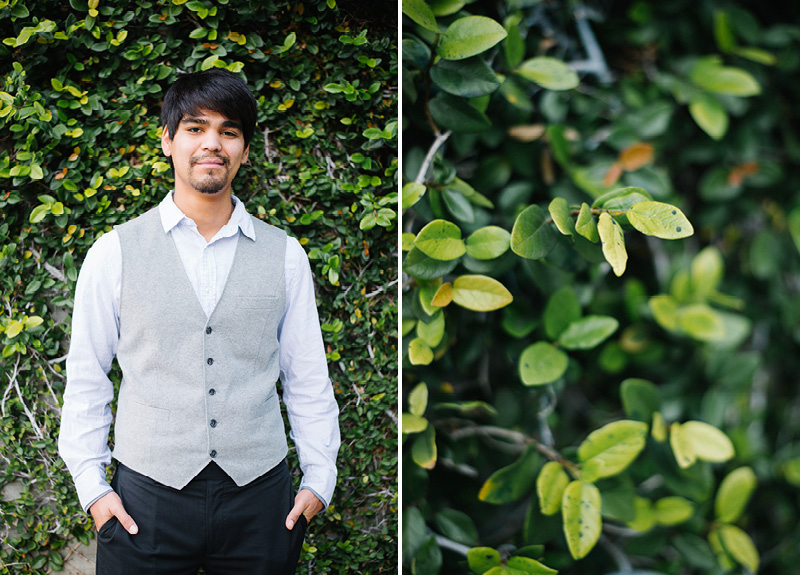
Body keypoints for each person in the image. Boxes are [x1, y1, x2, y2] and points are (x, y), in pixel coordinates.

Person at [58, 69, 341, 574]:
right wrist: (93, 489)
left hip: (261, 503)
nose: (212, 143)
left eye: (229, 131)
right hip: (145, 501)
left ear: (245, 150)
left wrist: (319, 479)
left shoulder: (285, 255)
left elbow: (307, 377)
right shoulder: (115, 252)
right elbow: (86, 376)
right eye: (195, 127)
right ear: (167, 141)